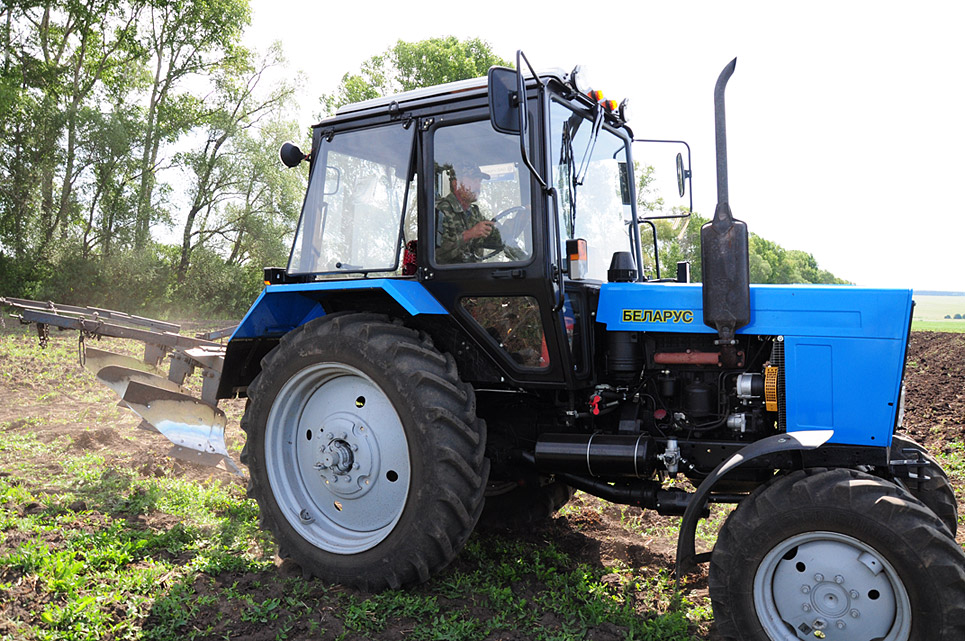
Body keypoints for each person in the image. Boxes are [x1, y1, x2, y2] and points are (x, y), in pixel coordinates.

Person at [436, 162, 520, 264]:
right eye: (473, 180)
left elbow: (501, 239)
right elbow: (434, 256)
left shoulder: (474, 214)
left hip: (475, 276)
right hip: (447, 278)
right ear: (456, 183)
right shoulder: (440, 210)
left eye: (479, 181)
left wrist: (521, 218)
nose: (478, 185)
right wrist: (468, 235)